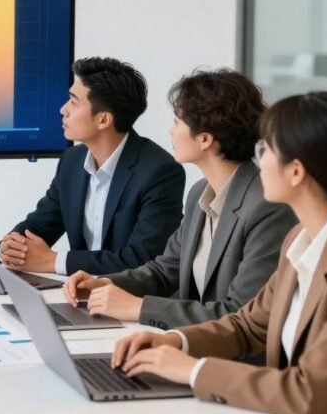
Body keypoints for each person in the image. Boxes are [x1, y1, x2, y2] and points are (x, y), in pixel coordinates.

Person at [111, 92, 327, 414]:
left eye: (264, 150)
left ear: (296, 172)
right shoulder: (300, 240)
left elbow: (309, 393)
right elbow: (248, 326)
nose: (258, 161)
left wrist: (194, 371)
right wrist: (174, 341)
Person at [62, 69, 295, 329]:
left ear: (205, 139)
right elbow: (165, 270)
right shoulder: (200, 193)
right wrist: (106, 284)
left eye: (177, 121)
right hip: (193, 345)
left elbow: (240, 312)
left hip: (234, 361)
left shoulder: (267, 207)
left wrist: (137, 307)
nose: (171, 131)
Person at [0, 57, 185, 276]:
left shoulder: (159, 171)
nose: (63, 110)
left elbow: (142, 259)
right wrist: (11, 244)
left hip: (126, 299)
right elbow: (41, 223)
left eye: (73, 102)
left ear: (103, 120)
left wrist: (54, 261)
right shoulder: (72, 161)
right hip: (77, 295)